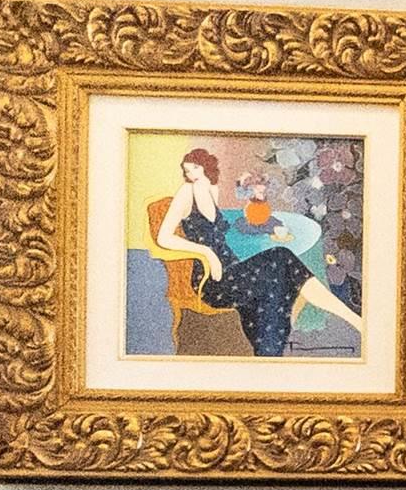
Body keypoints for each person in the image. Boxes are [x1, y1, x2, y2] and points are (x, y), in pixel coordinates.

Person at [152, 148, 366, 358]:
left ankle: (269, 353)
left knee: (279, 277)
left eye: (195, 168)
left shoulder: (210, 189)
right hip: (212, 279)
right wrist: (206, 253)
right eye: (187, 171)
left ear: (206, 166)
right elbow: (163, 238)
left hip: (232, 267)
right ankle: (351, 321)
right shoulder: (185, 192)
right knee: (281, 260)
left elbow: (221, 229)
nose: (191, 174)